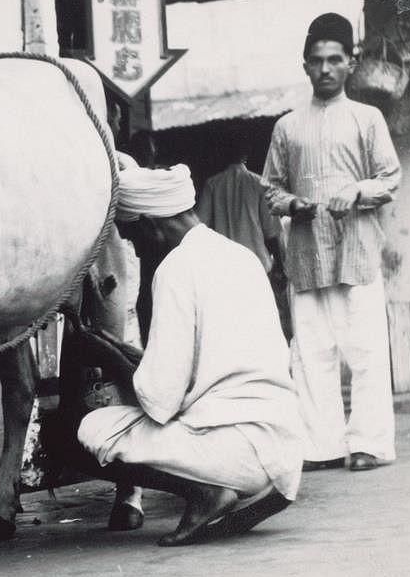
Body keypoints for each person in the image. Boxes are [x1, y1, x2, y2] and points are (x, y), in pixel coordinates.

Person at [76, 162, 305, 545]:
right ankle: (246, 488)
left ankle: (207, 493)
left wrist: (102, 352)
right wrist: (115, 346)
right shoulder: (241, 255)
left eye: (132, 238)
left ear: (151, 225)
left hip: (237, 451)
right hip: (282, 448)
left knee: (83, 432)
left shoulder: (175, 268)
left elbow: (161, 400)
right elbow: (205, 364)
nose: (133, 248)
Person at [262, 13, 402, 473]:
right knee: (312, 354)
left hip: (357, 251)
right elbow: (270, 189)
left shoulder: (368, 118)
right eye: (317, 60)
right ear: (305, 65)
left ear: (350, 64)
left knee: (364, 352)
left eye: (335, 60)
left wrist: (357, 190)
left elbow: (390, 178)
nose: (325, 69)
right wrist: (291, 205)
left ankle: (368, 444)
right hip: (307, 254)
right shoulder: (287, 127)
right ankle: (320, 445)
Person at [197, 130, 292, 339]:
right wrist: (281, 266)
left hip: (223, 269)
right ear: (246, 154)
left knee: (232, 326)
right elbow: (273, 233)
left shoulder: (212, 184)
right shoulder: (258, 184)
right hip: (257, 266)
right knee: (260, 325)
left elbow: (199, 228)